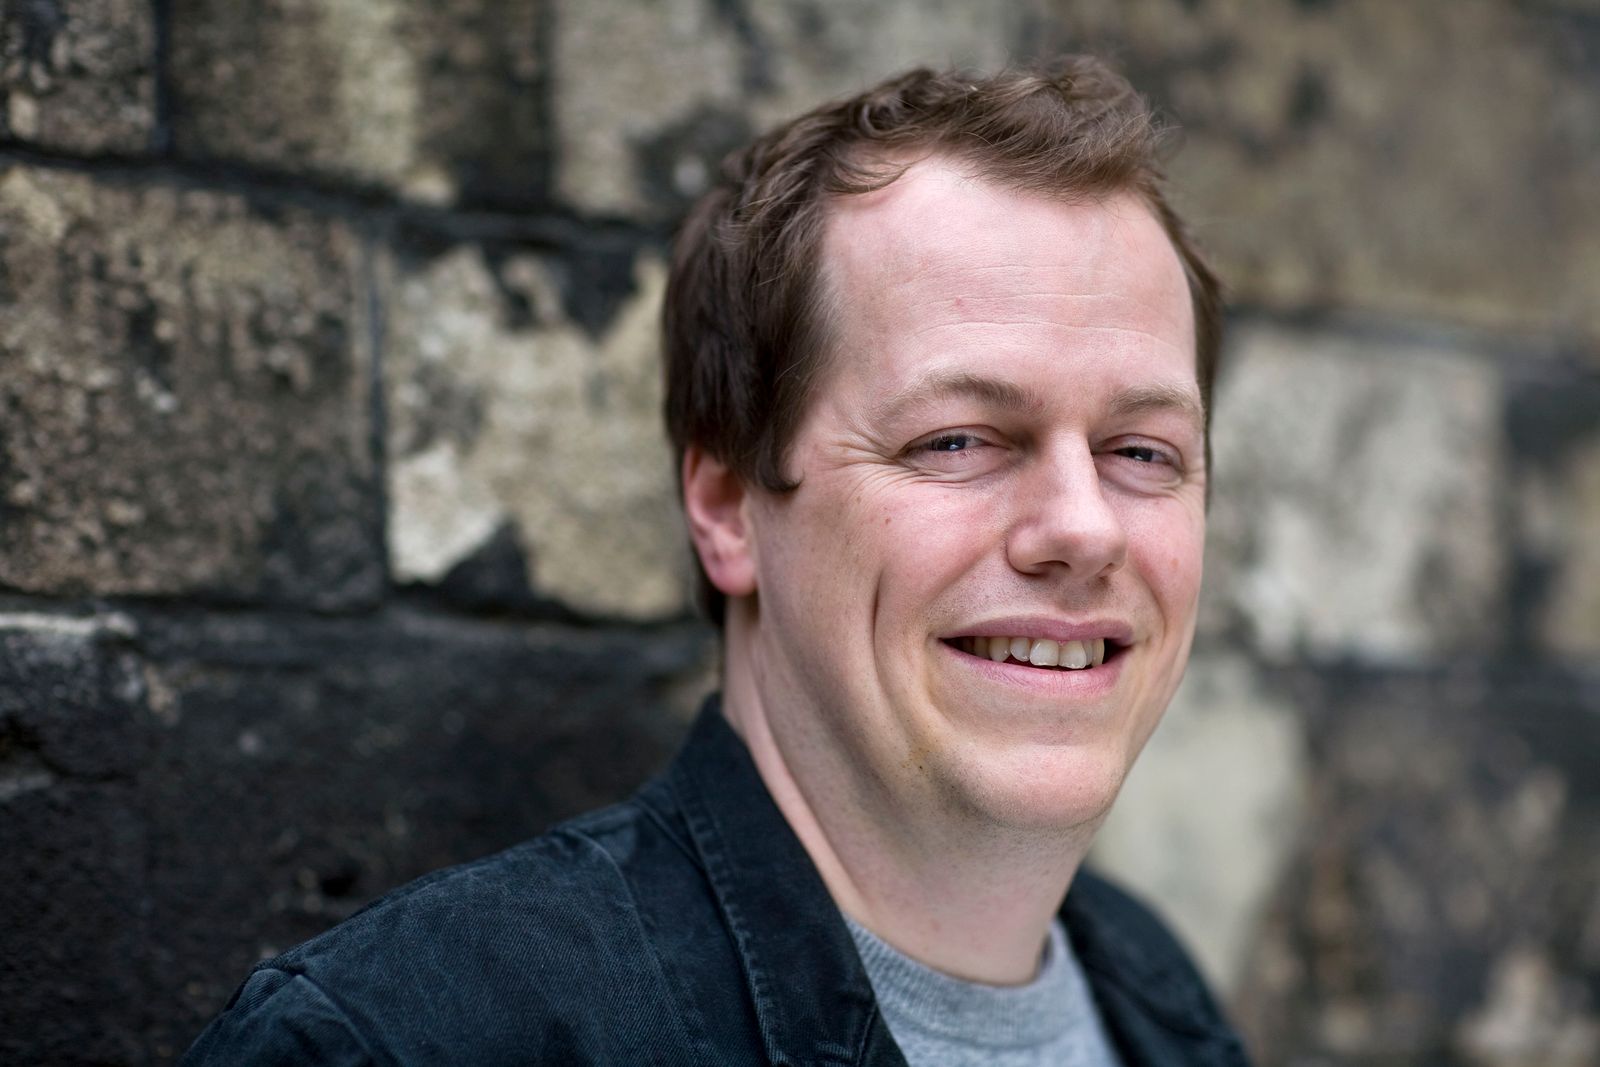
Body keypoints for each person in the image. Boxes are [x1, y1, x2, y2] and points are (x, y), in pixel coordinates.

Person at [185, 57, 1249, 1066]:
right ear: (728, 506)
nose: (1083, 527)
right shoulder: (407, 1039)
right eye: (957, 440)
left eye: (1141, 452)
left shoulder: (1155, 994)